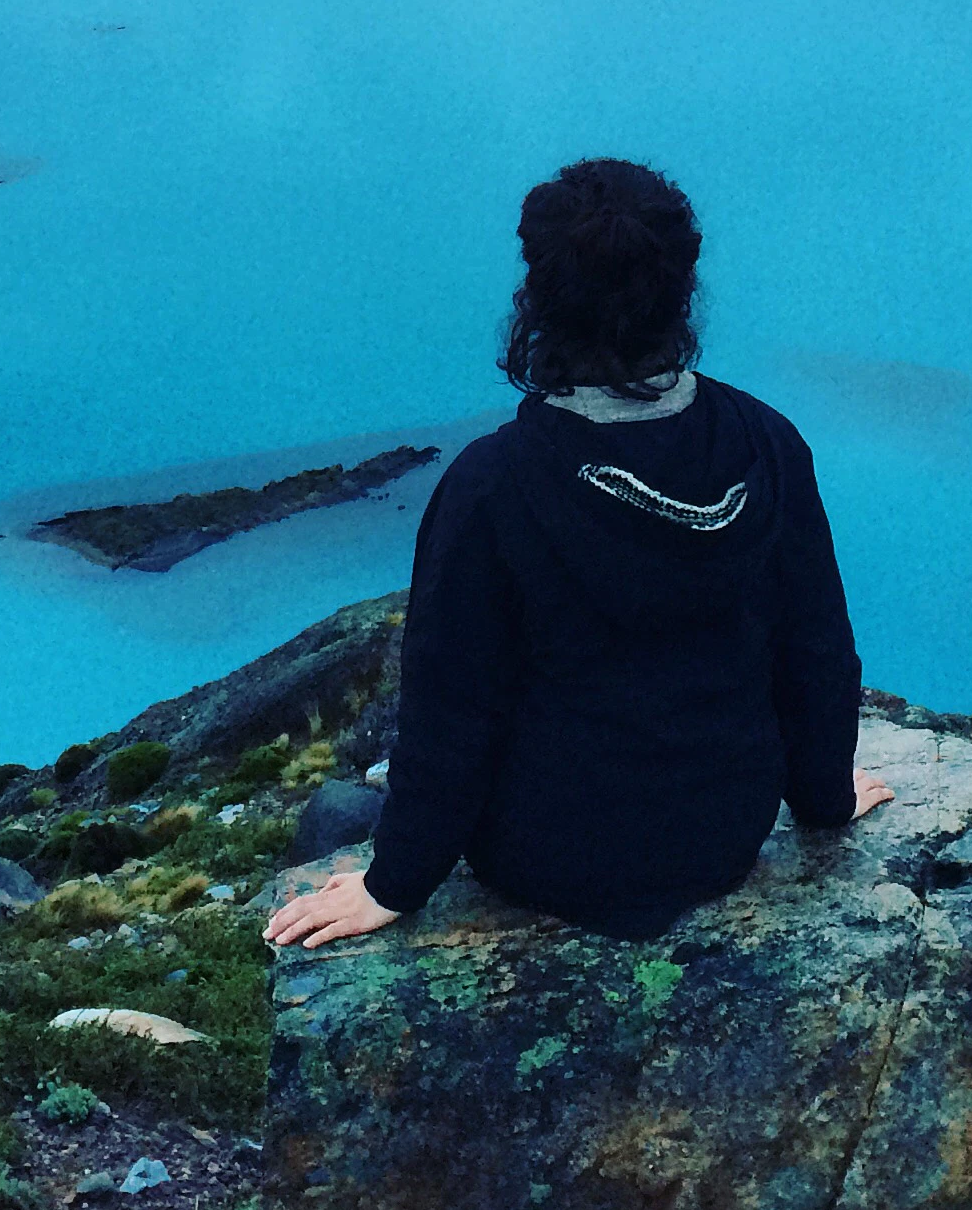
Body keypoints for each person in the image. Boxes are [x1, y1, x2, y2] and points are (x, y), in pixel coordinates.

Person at [265, 157, 887, 950]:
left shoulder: (489, 489)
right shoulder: (767, 444)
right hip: (725, 833)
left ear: (540, 301)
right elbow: (818, 654)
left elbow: (450, 714)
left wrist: (394, 884)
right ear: (680, 291)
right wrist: (826, 799)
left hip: (546, 856)